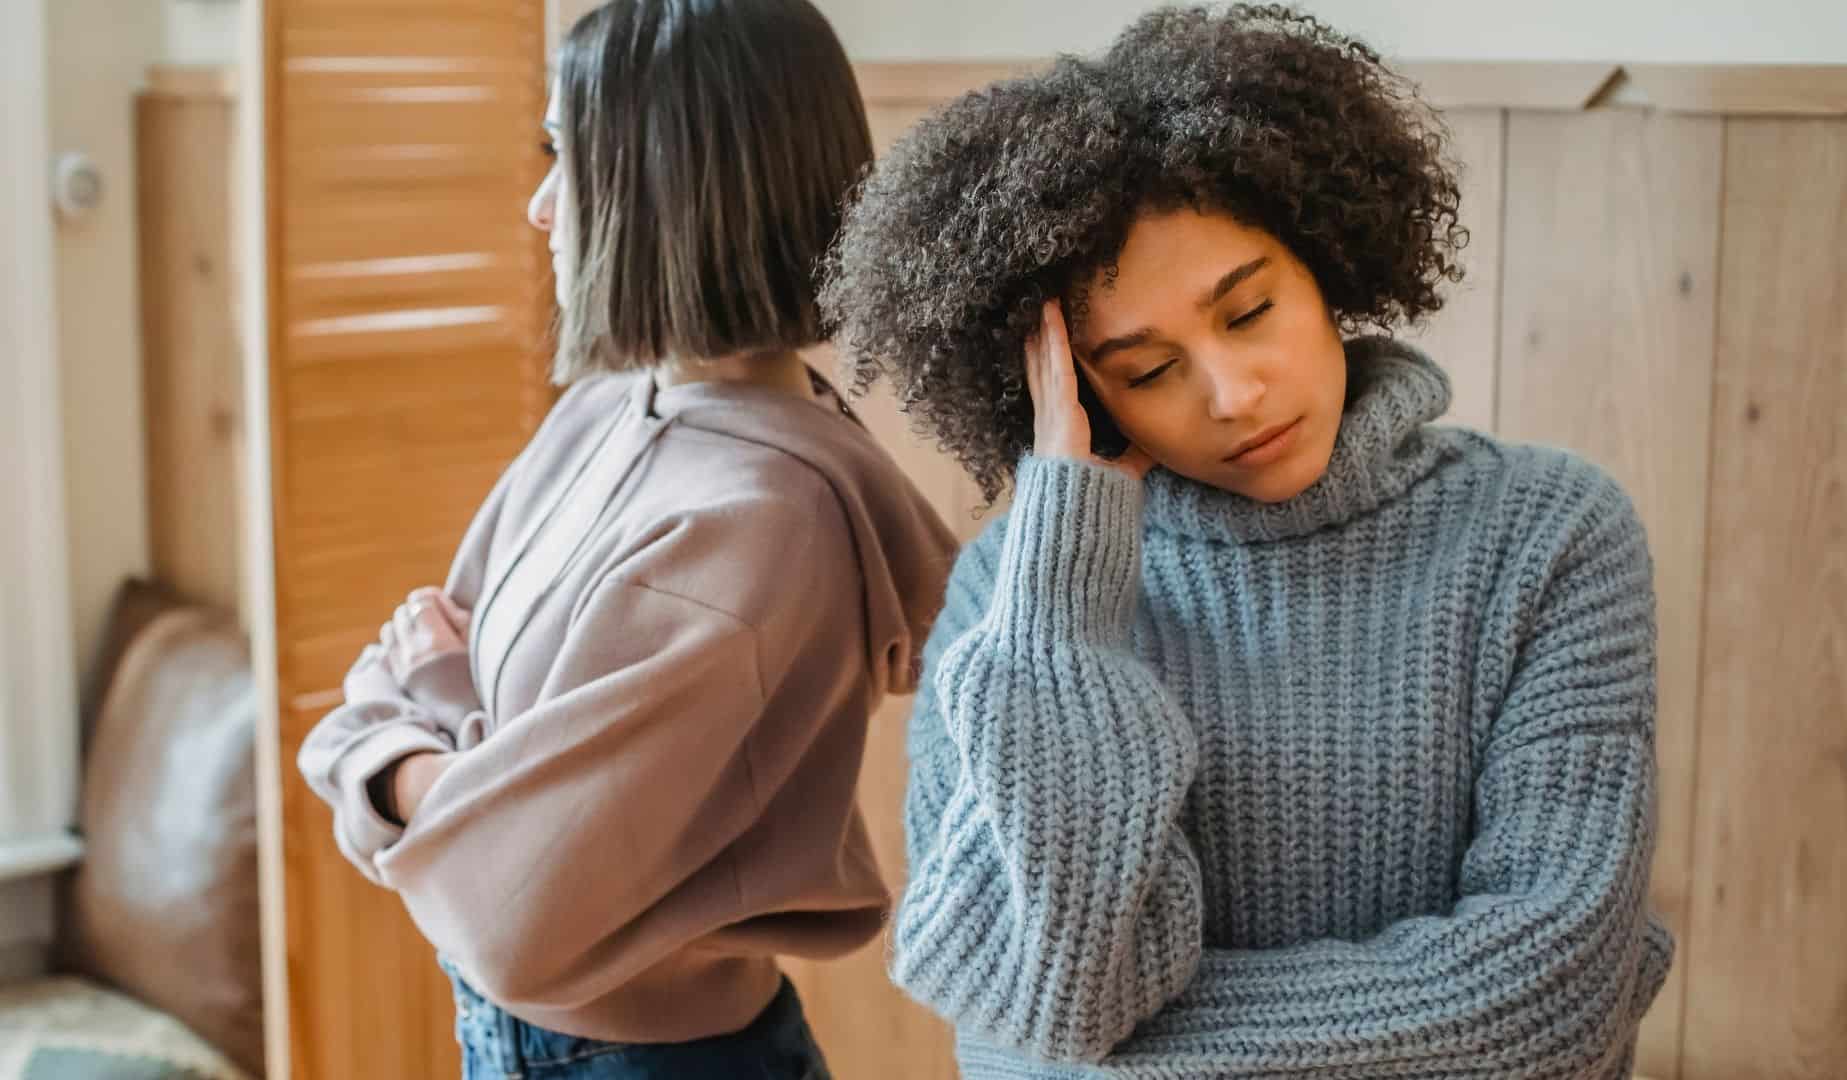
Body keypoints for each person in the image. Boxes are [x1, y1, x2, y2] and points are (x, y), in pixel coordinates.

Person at [820, 6, 1671, 1077]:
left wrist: (1114, 1057)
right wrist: (1063, 609)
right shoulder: (1014, 605)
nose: (1232, 393)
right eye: (1147, 369)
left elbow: (1549, 1005)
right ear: (1081, 393)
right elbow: (1022, 1028)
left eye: (1250, 309)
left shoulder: (1547, 534)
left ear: (1323, 262)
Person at [297, 1, 956, 1077]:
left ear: (671, 186)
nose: (541, 206)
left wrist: (425, 746)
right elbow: (378, 685)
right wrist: (450, 762)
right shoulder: (610, 408)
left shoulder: (758, 526)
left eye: (569, 158)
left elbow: (505, 916)